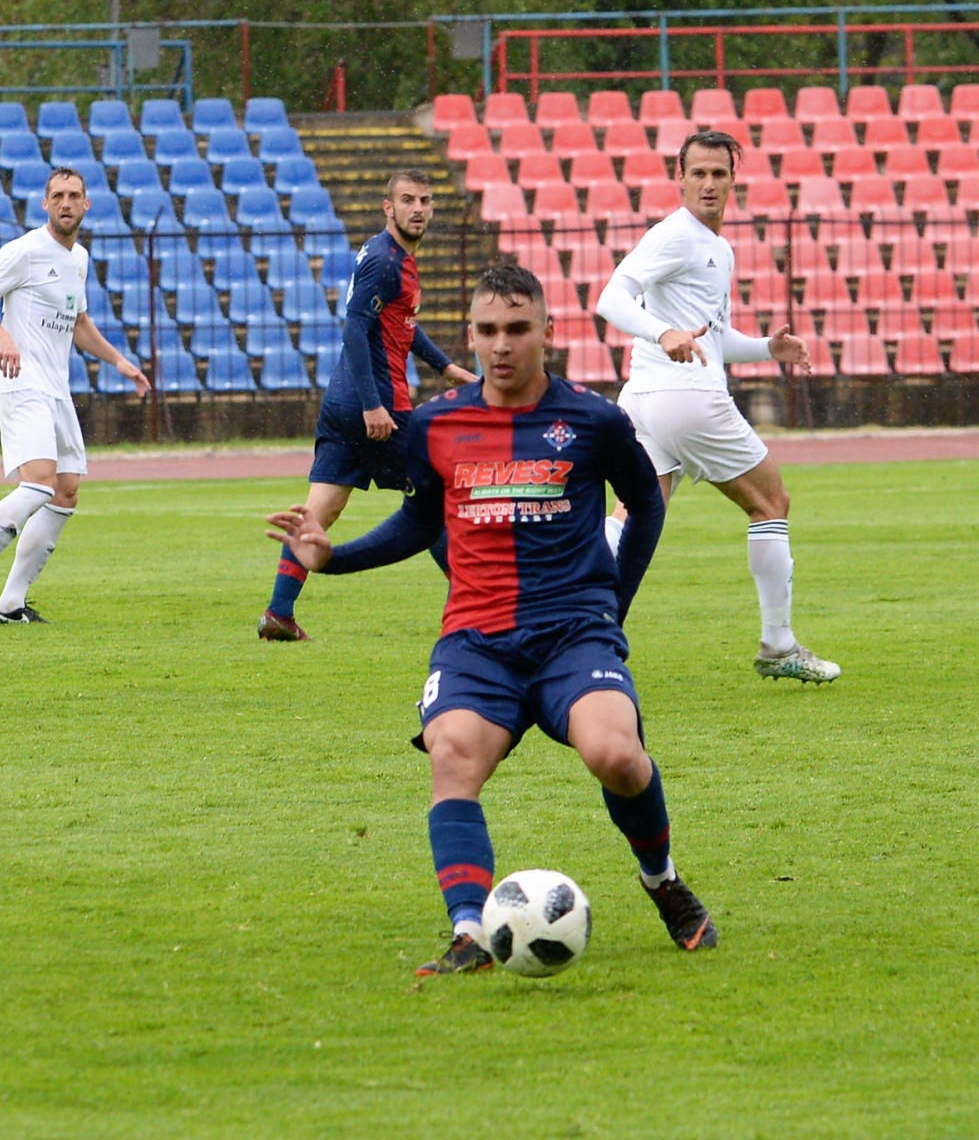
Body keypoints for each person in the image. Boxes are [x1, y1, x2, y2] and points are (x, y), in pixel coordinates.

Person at [266, 264, 719, 976]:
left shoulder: (595, 421)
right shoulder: (436, 424)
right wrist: (333, 559)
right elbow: (420, 521)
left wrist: (614, 605)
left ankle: (662, 881)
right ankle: (471, 932)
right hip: (477, 641)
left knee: (618, 756)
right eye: (486, 331)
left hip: (574, 634)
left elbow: (646, 503)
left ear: (547, 332)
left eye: (516, 329)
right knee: (451, 755)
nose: (501, 345)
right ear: (471, 336)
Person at [595, 131, 840, 683]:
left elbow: (712, 336)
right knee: (770, 502)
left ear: (733, 181)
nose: (708, 183)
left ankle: (576, 626)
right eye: (698, 173)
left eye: (718, 174)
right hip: (688, 399)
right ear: (679, 178)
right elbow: (611, 297)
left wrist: (767, 349)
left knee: (632, 514)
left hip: (643, 401)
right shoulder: (676, 235)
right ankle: (778, 645)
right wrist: (663, 333)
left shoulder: (715, 247)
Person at [258, 169, 475, 641]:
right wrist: (374, 406)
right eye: (408, 200)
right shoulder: (385, 261)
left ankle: (279, 613)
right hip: (377, 407)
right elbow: (354, 329)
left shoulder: (386, 254)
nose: (418, 209)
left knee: (321, 512)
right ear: (388, 207)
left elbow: (400, 323)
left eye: (425, 200)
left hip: (342, 404)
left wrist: (444, 366)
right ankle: (476, 607)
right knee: (434, 497)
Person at [0, 168, 151, 626]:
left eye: (74, 196)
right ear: (45, 203)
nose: (66, 203)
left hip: (56, 389)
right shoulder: (25, 250)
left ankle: (11, 604)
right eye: (58, 196)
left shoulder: (79, 258)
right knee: (37, 484)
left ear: (86, 204)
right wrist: (2, 336)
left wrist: (119, 362)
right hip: (22, 383)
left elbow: (79, 323)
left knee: (66, 492)